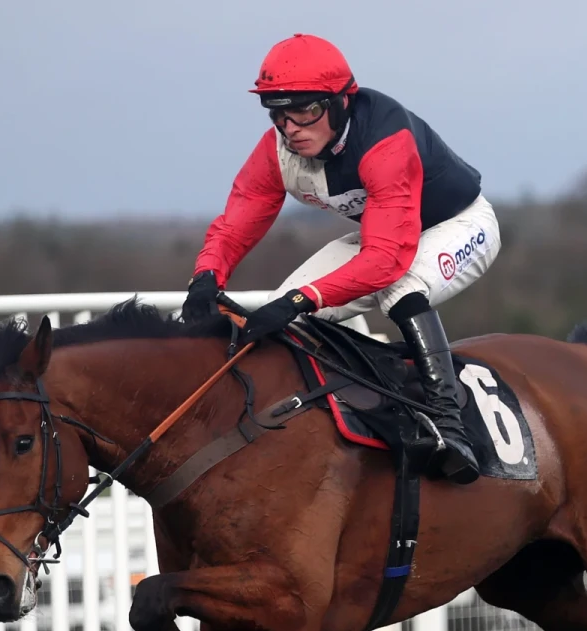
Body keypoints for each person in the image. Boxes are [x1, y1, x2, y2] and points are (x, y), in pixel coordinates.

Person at [181, 33, 501, 485]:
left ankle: (447, 422)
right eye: (278, 111)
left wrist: (301, 298)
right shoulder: (276, 152)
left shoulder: (385, 141)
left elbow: (387, 261)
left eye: (306, 109)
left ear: (340, 102)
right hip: (383, 234)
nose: (290, 126)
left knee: (398, 287)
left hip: (458, 226)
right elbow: (236, 223)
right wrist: (205, 277)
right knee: (284, 325)